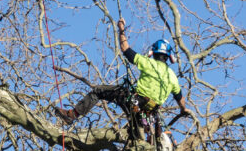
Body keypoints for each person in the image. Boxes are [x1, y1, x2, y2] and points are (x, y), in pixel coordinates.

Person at [56, 17, 188, 125]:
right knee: (132, 133)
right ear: (169, 57)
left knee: (98, 91)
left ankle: (73, 115)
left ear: (153, 52)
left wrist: (121, 30)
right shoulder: (172, 77)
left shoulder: (148, 62)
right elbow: (180, 99)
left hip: (135, 102)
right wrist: (183, 110)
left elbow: (125, 49)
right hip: (150, 114)